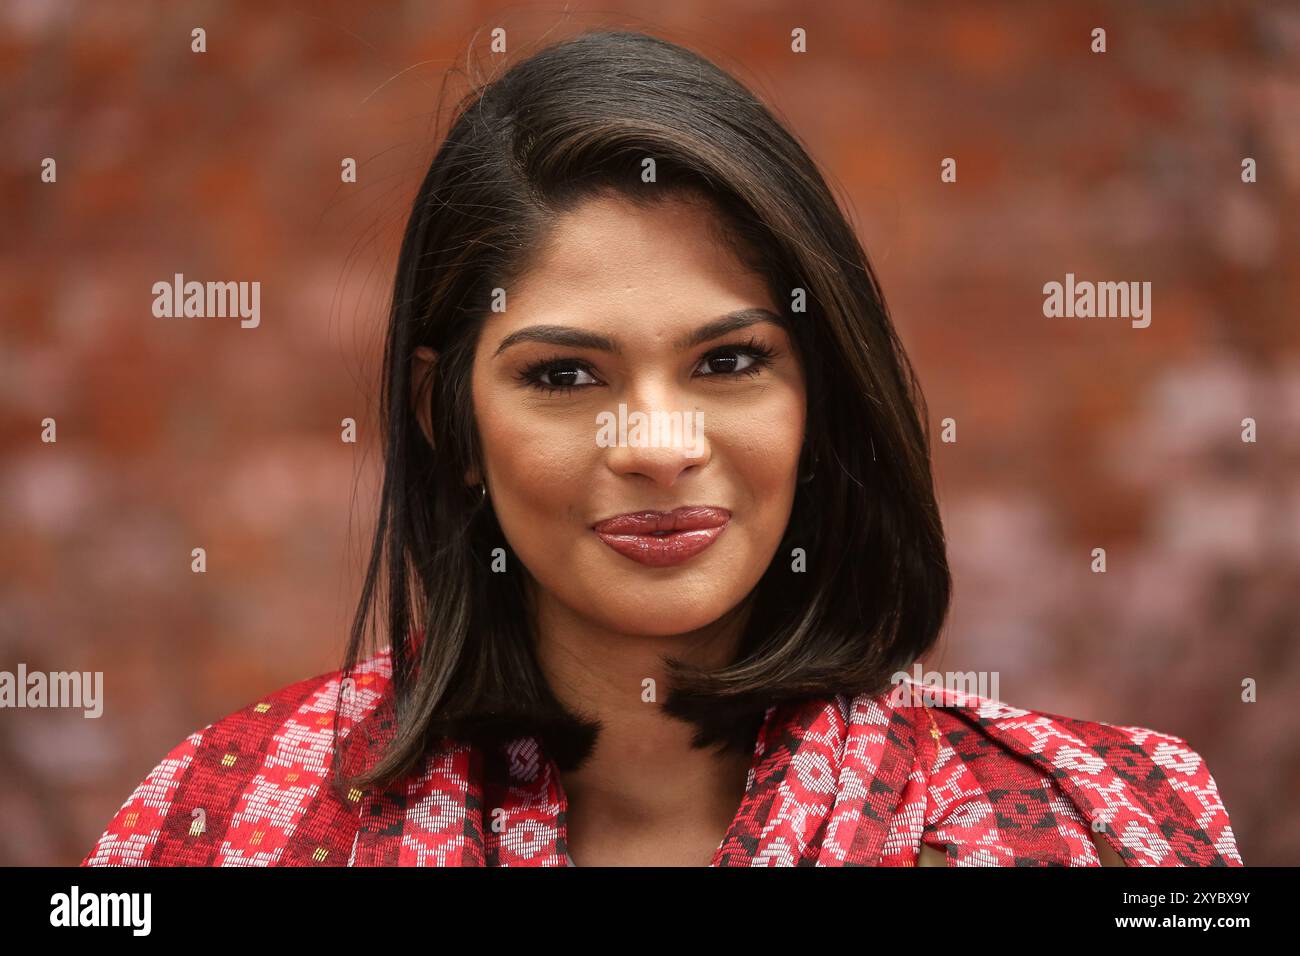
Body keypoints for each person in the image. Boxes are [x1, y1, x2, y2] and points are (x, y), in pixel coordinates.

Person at [83, 29, 1241, 868]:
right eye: (565, 375)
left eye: (728, 361)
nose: (655, 445)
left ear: (820, 396)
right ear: (455, 426)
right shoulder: (218, 820)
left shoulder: (1111, 828)